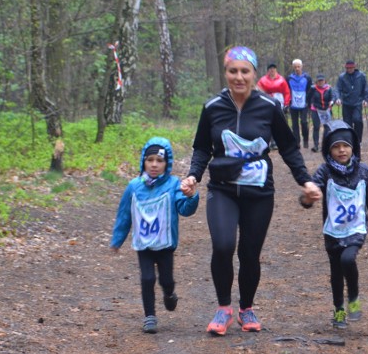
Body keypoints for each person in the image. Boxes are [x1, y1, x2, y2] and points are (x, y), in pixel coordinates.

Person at [180, 46, 322, 336]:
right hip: (223, 188)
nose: (239, 77)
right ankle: (223, 308)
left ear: (254, 74)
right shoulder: (212, 108)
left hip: (259, 193)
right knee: (222, 245)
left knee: (249, 252)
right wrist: (193, 175)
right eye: (233, 71)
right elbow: (202, 147)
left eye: (245, 71)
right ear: (226, 73)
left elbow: (289, 147)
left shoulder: (269, 107)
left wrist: (304, 179)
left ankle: (246, 308)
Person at [299, 120, 368, 329]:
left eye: (346, 145)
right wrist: (307, 198)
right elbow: (310, 192)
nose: (341, 150)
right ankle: (338, 309)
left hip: (356, 228)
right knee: (336, 271)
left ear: (353, 147)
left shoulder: (364, 171)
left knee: (348, 259)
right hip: (333, 231)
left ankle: (354, 298)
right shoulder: (325, 172)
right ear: (329, 150)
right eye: (336, 146)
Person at [111, 137, 200, 334]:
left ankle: (169, 294)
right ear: (143, 161)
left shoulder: (173, 185)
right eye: (150, 159)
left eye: (159, 161)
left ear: (167, 163)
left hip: (165, 243)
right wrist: (117, 240)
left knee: (166, 280)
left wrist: (192, 196)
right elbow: (124, 214)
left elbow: (185, 210)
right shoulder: (134, 187)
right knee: (147, 278)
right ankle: (149, 316)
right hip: (144, 244)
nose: (154, 164)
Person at [334, 60, 368, 146]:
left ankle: (358, 140)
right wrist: (338, 98)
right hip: (346, 103)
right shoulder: (342, 77)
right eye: (347, 68)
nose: (349, 69)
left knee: (357, 120)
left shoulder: (361, 76)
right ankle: (349, 141)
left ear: (354, 67)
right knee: (347, 124)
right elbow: (337, 89)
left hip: (357, 102)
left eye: (351, 68)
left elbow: (365, 89)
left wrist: (366, 99)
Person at [287, 59, 313, 149]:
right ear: (293, 67)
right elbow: (287, 90)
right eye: (295, 67)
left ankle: (305, 140)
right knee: (294, 124)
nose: (297, 69)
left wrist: (309, 102)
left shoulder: (307, 78)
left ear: (301, 67)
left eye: (298, 67)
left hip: (304, 104)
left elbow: (310, 90)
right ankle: (296, 142)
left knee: (304, 122)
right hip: (293, 104)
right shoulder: (289, 78)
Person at [308, 74, 334, 152]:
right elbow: (308, 98)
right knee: (316, 127)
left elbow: (333, 96)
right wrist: (310, 106)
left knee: (327, 127)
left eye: (322, 80)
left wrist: (332, 101)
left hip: (326, 110)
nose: (320, 82)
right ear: (317, 81)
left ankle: (326, 144)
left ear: (324, 81)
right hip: (315, 109)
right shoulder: (313, 88)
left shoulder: (329, 88)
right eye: (319, 81)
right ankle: (316, 145)